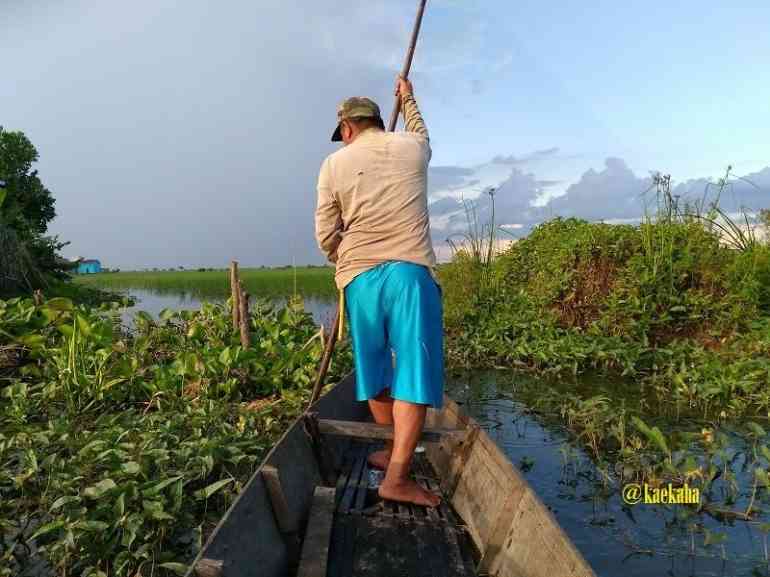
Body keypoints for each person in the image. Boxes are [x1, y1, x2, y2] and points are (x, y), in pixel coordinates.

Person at [315, 76, 442, 507]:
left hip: (360, 279)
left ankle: (390, 454)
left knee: (373, 370)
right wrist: (408, 98)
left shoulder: (334, 164)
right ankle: (397, 471)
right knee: (414, 372)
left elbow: (325, 232)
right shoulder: (413, 147)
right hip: (409, 272)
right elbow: (421, 130)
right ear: (374, 121)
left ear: (347, 129)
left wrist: (341, 257)